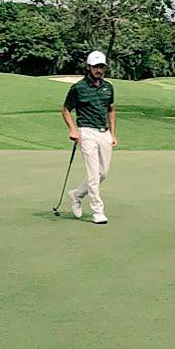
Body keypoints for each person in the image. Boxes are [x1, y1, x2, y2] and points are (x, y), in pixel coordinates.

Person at [61, 50, 117, 224]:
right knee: (93, 175)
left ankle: (76, 195)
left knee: (103, 173)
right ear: (88, 67)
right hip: (86, 132)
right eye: (96, 67)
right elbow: (65, 110)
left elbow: (111, 110)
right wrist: (73, 130)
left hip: (104, 132)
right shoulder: (78, 88)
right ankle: (97, 211)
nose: (99, 70)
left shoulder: (109, 87)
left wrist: (113, 134)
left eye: (102, 67)